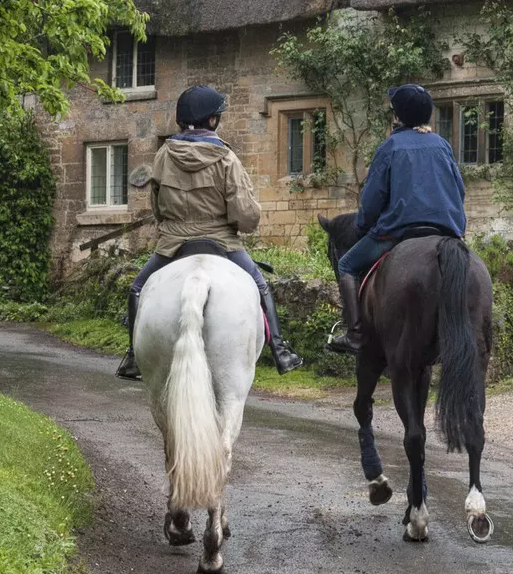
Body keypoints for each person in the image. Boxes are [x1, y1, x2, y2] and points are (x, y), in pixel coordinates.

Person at [116, 85, 302, 380]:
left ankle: (133, 357)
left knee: (138, 288)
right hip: (222, 242)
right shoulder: (226, 158)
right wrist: (244, 224)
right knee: (259, 284)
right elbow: (245, 215)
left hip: (173, 244)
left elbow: (157, 206)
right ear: (211, 121)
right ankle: (280, 350)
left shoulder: (163, 155)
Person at [328, 84, 468, 352]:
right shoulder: (442, 145)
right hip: (446, 232)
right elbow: (459, 190)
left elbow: (371, 201)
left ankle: (355, 334)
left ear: (397, 116)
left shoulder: (390, 146)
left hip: (399, 233)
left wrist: (361, 227)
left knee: (346, 265)